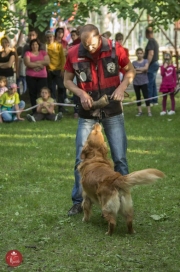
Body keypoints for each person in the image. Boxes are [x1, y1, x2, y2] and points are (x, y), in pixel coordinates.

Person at [64, 24, 135, 216]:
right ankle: (78, 202)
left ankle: (123, 199)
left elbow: (130, 71)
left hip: (112, 110)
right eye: (85, 45)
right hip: (87, 113)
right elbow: (67, 80)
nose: (90, 48)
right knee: (81, 157)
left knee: (119, 157)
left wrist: (122, 88)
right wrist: (80, 93)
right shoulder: (73, 53)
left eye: (92, 44)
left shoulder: (115, 49)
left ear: (99, 37)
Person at [24, 38, 50, 113]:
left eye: (36, 44)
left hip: (42, 77)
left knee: (43, 93)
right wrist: (40, 64)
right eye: (33, 44)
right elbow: (27, 63)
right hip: (31, 76)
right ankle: (34, 111)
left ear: (38, 45)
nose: (34, 46)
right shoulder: (27, 53)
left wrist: (34, 64)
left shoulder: (43, 52)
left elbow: (47, 62)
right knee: (33, 94)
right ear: (30, 46)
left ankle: (44, 110)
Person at [45, 30, 66, 113]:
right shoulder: (45, 46)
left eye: (50, 36)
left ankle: (61, 107)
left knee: (61, 87)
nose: (49, 38)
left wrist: (62, 69)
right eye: (47, 37)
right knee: (50, 89)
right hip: (49, 70)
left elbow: (63, 58)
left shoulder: (58, 46)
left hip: (58, 70)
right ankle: (51, 107)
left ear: (53, 37)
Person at [132, 48, 152, 117]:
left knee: (146, 96)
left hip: (144, 82)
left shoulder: (145, 61)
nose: (139, 55)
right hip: (136, 82)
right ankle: (140, 111)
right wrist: (141, 70)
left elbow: (146, 68)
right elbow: (132, 71)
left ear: (143, 54)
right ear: (136, 54)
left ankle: (149, 111)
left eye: (141, 53)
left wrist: (136, 70)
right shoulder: (133, 63)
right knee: (138, 97)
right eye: (138, 53)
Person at [144, 27, 159, 106]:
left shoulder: (150, 41)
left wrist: (147, 64)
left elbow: (151, 53)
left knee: (149, 83)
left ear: (147, 33)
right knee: (153, 83)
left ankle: (149, 101)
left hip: (152, 64)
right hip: (155, 63)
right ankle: (154, 100)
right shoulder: (154, 41)